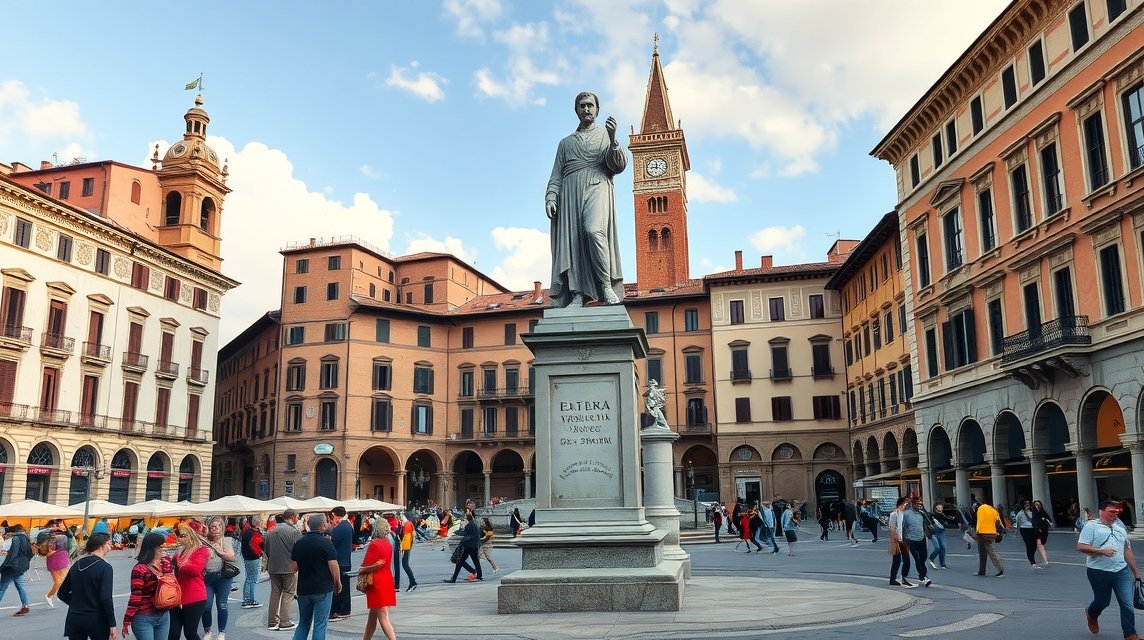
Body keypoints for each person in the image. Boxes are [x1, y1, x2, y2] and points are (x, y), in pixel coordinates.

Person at [545, 90, 627, 308]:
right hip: (569, 193)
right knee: (573, 243)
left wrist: (613, 140)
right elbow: (556, 174)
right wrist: (551, 196)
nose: (586, 109)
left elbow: (617, 166)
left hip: (597, 184)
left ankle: (606, 285)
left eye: (590, 105)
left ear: (597, 109)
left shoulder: (604, 135)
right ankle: (578, 294)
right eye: (582, 106)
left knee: (593, 231)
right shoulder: (565, 143)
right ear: (576, 110)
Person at [1079, 499, 1141, 639]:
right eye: (1112, 511)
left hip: (1121, 571)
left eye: (1117, 512)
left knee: (1127, 603)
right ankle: (1092, 613)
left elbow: (1126, 549)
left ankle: (1130, 634)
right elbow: (1081, 546)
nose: (1115, 514)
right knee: (1102, 602)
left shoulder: (1120, 527)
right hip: (1099, 571)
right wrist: (1101, 551)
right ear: (1101, 511)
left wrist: (1135, 571)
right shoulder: (1091, 526)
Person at [290, 514, 341, 640]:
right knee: (320, 624)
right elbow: (333, 564)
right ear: (322, 526)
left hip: (303, 589)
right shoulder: (325, 543)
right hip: (322, 588)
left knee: (303, 624)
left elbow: (294, 567)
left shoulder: (299, 542)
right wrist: (337, 582)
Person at [58, 532, 116, 640]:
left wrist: (76, 604)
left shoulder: (77, 564)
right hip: (96, 618)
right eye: (108, 544)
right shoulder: (105, 567)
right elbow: (106, 598)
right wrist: (112, 623)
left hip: (75, 617)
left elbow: (61, 593)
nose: (110, 547)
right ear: (101, 545)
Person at [122, 533, 173, 640]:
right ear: (154, 548)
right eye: (161, 547)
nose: (163, 549)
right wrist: (127, 620)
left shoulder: (164, 564)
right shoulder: (139, 569)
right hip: (144, 617)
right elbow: (135, 597)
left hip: (163, 615)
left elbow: (170, 586)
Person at [168, 522, 210, 640]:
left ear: (191, 535)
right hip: (177, 597)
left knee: (190, 633)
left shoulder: (201, 550)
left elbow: (195, 570)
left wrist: (181, 563)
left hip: (194, 597)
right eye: (179, 536)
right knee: (172, 634)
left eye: (183, 535)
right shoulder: (180, 551)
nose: (180, 538)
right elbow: (171, 568)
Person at [359, 521, 397, 640]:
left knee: (382, 616)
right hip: (387, 579)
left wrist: (363, 569)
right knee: (374, 614)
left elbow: (364, 566)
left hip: (376, 582)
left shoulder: (374, 544)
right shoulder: (388, 543)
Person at [263, 510, 300, 631]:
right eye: (297, 517)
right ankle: (285, 621)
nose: (298, 519)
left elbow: (267, 550)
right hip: (289, 566)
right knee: (288, 593)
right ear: (293, 517)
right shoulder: (294, 531)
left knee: (275, 593)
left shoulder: (271, 531)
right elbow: (299, 549)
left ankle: (272, 622)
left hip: (273, 566)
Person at [201, 516, 236, 640]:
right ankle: (207, 631)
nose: (216, 529)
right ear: (208, 528)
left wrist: (218, 551)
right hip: (207, 577)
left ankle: (221, 632)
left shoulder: (226, 540)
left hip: (223, 577)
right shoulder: (203, 541)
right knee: (206, 606)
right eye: (213, 526)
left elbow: (231, 556)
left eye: (219, 526)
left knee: (222, 604)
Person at [0, 523, 33, 616]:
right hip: (20, 567)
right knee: (21, 586)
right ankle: (25, 605)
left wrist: (3, 566)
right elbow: (30, 553)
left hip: (12, 567)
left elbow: (12, 554)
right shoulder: (26, 538)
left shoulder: (16, 538)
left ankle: (25, 606)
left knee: (2, 587)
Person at [328, 507, 353, 622]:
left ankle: (341, 610)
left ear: (334, 515)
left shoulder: (341, 527)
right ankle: (342, 610)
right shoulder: (347, 526)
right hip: (345, 561)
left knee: (339, 587)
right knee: (343, 587)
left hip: (340, 562)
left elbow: (331, 543)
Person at [443, 512, 482, 583]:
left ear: (467, 519)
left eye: (464, 519)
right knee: (476, 561)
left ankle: (454, 578)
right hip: (474, 546)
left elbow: (466, 536)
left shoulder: (468, 526)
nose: (463, 520)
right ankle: (479, 575)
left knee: (459, 562)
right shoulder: (475, 524)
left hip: (468, 546)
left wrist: (461, 542)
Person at [901, 497, 932, 587]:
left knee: (923, 558)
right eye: (918, 504)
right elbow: (901, 527)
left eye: (921, 504)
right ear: (913, 504)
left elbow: (928, 523)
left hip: (921, 538)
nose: (919, 506)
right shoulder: (906, 514)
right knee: (917, 558)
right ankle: (924, 577)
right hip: (910, 539)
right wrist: (902, 539)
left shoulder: (922, 513)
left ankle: (922, 576)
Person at [972, 501, 1005, 577]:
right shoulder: (994, 511)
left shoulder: (980, 509)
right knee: (989, 550)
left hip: (982, 533)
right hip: (992, 533)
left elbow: (977, 521)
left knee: (985, 552)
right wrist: (996, 532)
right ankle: (982, 571)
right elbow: (998, 522)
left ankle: (1000, 568)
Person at [888, 497, 913, 587]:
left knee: (906, 560)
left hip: (904, 539)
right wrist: (897, 537)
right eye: (904, 504)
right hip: (897, 540)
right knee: (897, 560)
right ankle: (893, 579)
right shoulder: (894, 514)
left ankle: (902, 578)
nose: (905, 506)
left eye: (906, 504)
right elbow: (892, 527)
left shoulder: (905, 514)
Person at [44, 525, 71, 608]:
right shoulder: (63, 538)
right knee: (62, 580)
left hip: (56, 560)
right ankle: (50, 596)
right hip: (59, 560)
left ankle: (50, 596)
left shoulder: (50, 539)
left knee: (60, 581)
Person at [239, 518, 264, 609]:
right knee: (253, 579)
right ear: (258, 523)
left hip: (247, 557)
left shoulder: (246, 532)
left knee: (249, 578)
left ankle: (246, 599)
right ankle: (251, 600)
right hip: (254, 557)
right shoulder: (256, 533)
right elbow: (261, 545)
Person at [927, 503, 954, 570]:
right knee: (937, 548)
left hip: (941, 533)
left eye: (941, 508)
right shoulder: (931, 515)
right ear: (935, 508)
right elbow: (928, 521)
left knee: (943, 547)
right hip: (933, 533)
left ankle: (943, 564)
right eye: (938, 508)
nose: (940, 509)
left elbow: (948, 522)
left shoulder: (943, 515)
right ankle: (931, 558)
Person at [397, 514, 417, 591]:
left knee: (405, 565)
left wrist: (403, 548)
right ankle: (412, 582)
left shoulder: (407, 525)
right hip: (407, 546)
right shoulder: (408, 524)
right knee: (405, 564)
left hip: (406, 547)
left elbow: (407, 538)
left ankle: (413, 582)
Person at [1031, 500, 1053, 567]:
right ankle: (1043, 557)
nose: (1038, 505)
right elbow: (1034, 521)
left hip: (1044, 529)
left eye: (1039, 504)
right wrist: (1038, 527)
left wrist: (1047, 521)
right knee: (1040, 543)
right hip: (1037, 529)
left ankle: (1041, 551)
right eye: (1036, 504)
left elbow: (1047, 518)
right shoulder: (1034, 512)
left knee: (1044, 540)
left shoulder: (1043, 511)